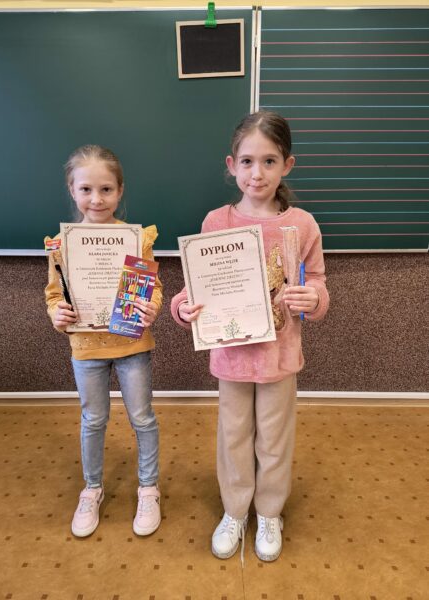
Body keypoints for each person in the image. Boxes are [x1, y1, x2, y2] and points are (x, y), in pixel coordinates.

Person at [170, 111, 329, 563]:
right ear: (231, 164)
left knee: (274, 439)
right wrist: (183, 308)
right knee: (234, 437)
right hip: (232, 359)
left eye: (269, 161)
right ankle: (235, 510)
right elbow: (194, 287)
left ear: (287, 165)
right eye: (247, 161)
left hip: (280, 357)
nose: (256, 173)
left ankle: (270, 512)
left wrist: (313, 298)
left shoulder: (302, 225)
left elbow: (317, 282)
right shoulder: (216, 222)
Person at [45, 145, 162, 538]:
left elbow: (153, 288)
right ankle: (92, 488)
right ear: (72, 189)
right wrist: (57, 314)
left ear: (120, 190)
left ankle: (149, 488)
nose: (96, 199)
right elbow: (54, 294)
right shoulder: (61, 246)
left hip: (132, 346)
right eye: (86, 189)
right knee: (93, 420)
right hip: (86, 348)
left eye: (106, 189)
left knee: (142, 418)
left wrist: (151, 307)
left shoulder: (135, 240)